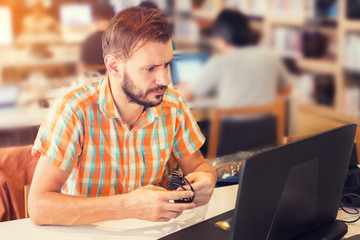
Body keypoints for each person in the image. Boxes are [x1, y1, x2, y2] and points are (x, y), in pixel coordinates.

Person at [28, 6, 216, 226]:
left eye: (167, 65)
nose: (164, 79)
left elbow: (198, 166)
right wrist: (127, 206)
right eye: (150, 68)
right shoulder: (74, 111)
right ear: (114, 66)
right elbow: (38, 207)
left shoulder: (172, 105)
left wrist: (207, 178)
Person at [176, 9, 292, 108]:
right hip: (268, 132)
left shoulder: (220, 62)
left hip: (231, 133)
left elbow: (186, 96)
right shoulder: (269, 57)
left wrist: (185, 87)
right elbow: (287, 89)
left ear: (220, 37)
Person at [77, 3, 114, 74]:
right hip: (113, 80)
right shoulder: (118, 39)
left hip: (93, 81)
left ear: (93, 19)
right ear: (111, 18)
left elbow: (81, 68)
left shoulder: (87, 41)